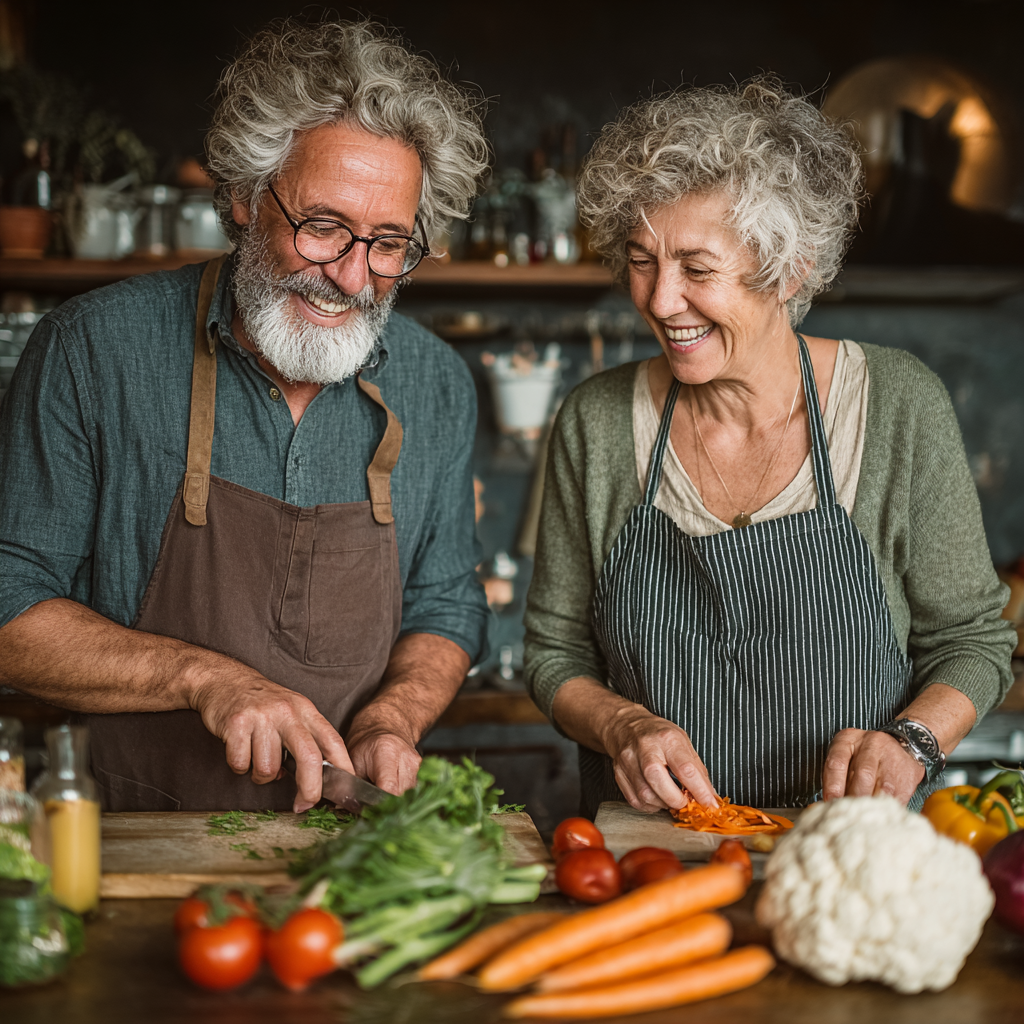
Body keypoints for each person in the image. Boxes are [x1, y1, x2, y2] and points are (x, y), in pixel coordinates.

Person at [0, 19, 491, 812]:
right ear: (241, 197)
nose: (354, 277)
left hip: (349, 850)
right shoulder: (92, 351)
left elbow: (447, 603)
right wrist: (206, 680)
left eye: (390, 241)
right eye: (323, 226)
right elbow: (9, 611)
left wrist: (394, 718)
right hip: (137, 840)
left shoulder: (436, 383)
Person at [524, 77, 1015, 819]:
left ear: (791, 267)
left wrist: (913, 741)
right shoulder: (595, 421)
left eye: (695, 268)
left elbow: (974, 641)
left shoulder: (897, 405)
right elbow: (554, 653)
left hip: (843, 849)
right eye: (640, 259)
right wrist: (621, 724)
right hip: (652, 860)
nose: (658, 301)